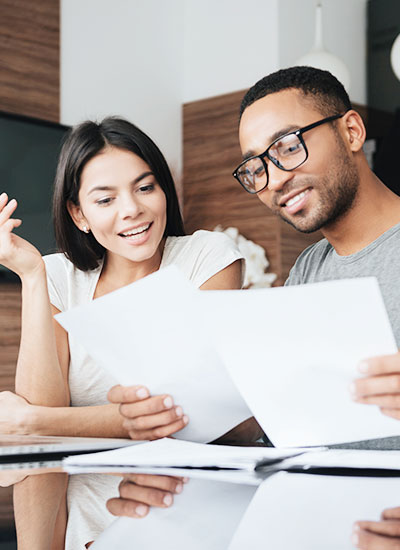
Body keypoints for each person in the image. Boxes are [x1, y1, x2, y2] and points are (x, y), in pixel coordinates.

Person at [0, 116, 253, 548]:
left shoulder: (207, 258)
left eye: (145, 187)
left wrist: (33, 421)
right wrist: (31, 276)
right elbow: (41, 443)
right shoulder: (57, 275)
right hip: (81, 523)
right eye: (105, 199)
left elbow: (188, 412)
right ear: (78, 215)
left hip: (184, 516)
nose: (132, 209)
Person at [232, 65, 400, 448]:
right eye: (256, 168)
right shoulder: (309, 268)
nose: (273, 181)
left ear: (351, 132)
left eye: (288, 147)